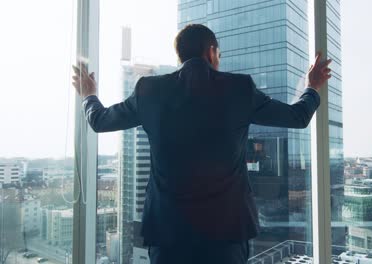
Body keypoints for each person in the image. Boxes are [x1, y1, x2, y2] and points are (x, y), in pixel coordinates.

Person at [72, 24, 331, 264]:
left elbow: (101, 121)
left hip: (168, 234)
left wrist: (88, 94)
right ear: (211, 52)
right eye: (218, 55)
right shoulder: (239, 88)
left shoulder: (149, 90)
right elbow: (297, 117)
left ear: (179, 56)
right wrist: (311, 87)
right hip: (226, 234)